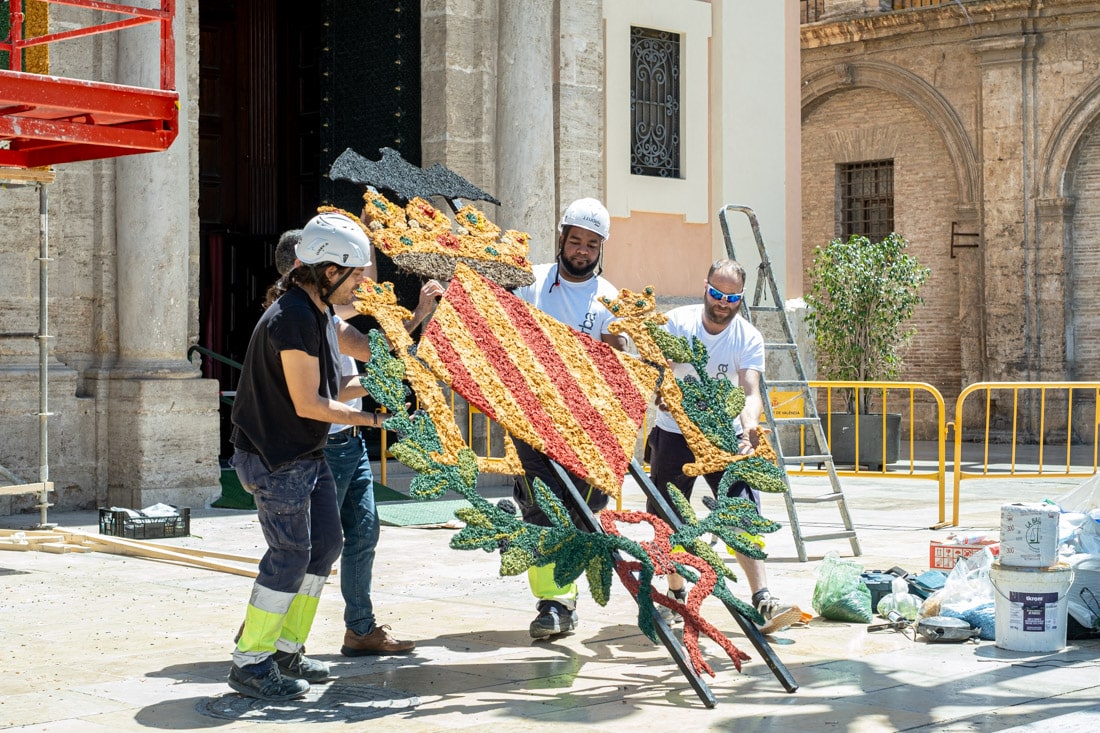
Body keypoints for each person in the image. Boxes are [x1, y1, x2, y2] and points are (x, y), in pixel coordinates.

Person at [226, 212, 383, 701]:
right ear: (329, 271)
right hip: (275, 457)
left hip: (304, 453)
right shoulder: (293, 316)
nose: (361, 284)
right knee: (290, 554)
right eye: (355, 275)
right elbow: (310, 403)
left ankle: (285, 651)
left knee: (326, 545)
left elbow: (333, 385)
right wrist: (375, 421)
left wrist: (384, 382)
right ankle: (250, 662)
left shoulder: (316, 311)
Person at [270, 229, 443, 658]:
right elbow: (326, 391)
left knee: (363, 533)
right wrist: (376, 391)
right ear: (309, 268)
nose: (360, 280)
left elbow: (372, 348)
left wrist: (419, 317)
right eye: (347, 269)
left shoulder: (327, 313)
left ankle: (359, 629)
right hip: (322, 447)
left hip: (350, 443)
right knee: (311, 549)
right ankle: (275, 637)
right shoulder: (294, 317)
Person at [646, 259, 802, 634]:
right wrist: (662, 389)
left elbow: (750, 391)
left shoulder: (747, 337)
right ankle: (676, 593)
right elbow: (658, 369)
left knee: (742, 511)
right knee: (668, 518)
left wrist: (749, 427)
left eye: (732, 297)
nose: (722, 303)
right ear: (706, 287)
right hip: (675, 432)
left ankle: (763, 598)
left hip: (724, 434)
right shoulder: (677, 323)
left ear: (740, 298)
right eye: (717, 293)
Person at [511, 197, 627, 639]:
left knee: (583, 508)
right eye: (576, 240)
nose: (582, 250)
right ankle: (554, 604)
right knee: (542, 505)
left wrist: (618, 349)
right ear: (561, 238)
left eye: (591, 244)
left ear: (601, 248)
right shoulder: (531, 281)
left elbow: (619, 362)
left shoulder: (610, 298)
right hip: (532, 418)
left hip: (587, 424)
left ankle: (564, 596)